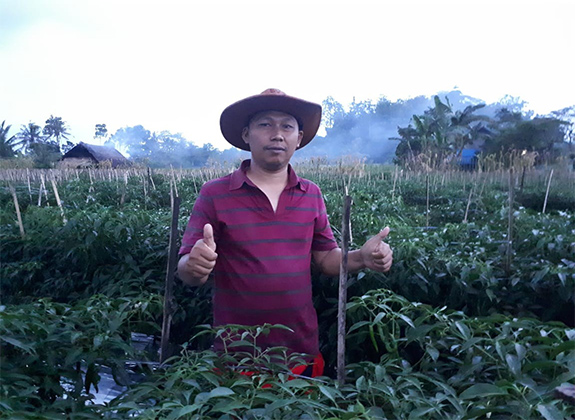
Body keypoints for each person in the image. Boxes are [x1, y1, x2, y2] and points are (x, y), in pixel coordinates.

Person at [177, 88, 393, 377]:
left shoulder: (310, 194)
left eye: (287, 126)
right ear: (246, 134)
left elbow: (326, 259)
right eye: (265, 124)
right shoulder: (215, 194)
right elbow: (185, 270)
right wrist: (195, 265)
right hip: (236, 354)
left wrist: (362, 258)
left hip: (300, 347)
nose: (277, 134)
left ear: (298, 138)